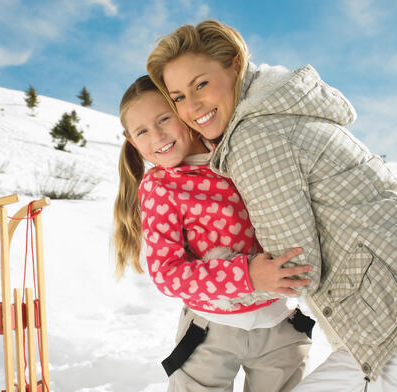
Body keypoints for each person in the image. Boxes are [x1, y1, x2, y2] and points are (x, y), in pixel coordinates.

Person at [146, 20, 397, 391]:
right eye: (178, 97)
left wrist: (217, 293)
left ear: (235, 65)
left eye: (200, 84)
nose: (192, 106)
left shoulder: (254, 136)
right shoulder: (275, 110)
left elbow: (295, 269)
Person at [112, 75, 314, 391]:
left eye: (164, 119)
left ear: (183, 112)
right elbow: (168, 274)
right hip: (212, 329)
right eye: (142, 131)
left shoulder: (234, 150)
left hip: (280, 322)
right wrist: (247, 275)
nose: (158, 135)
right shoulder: (161, 187)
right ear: (131, 140)